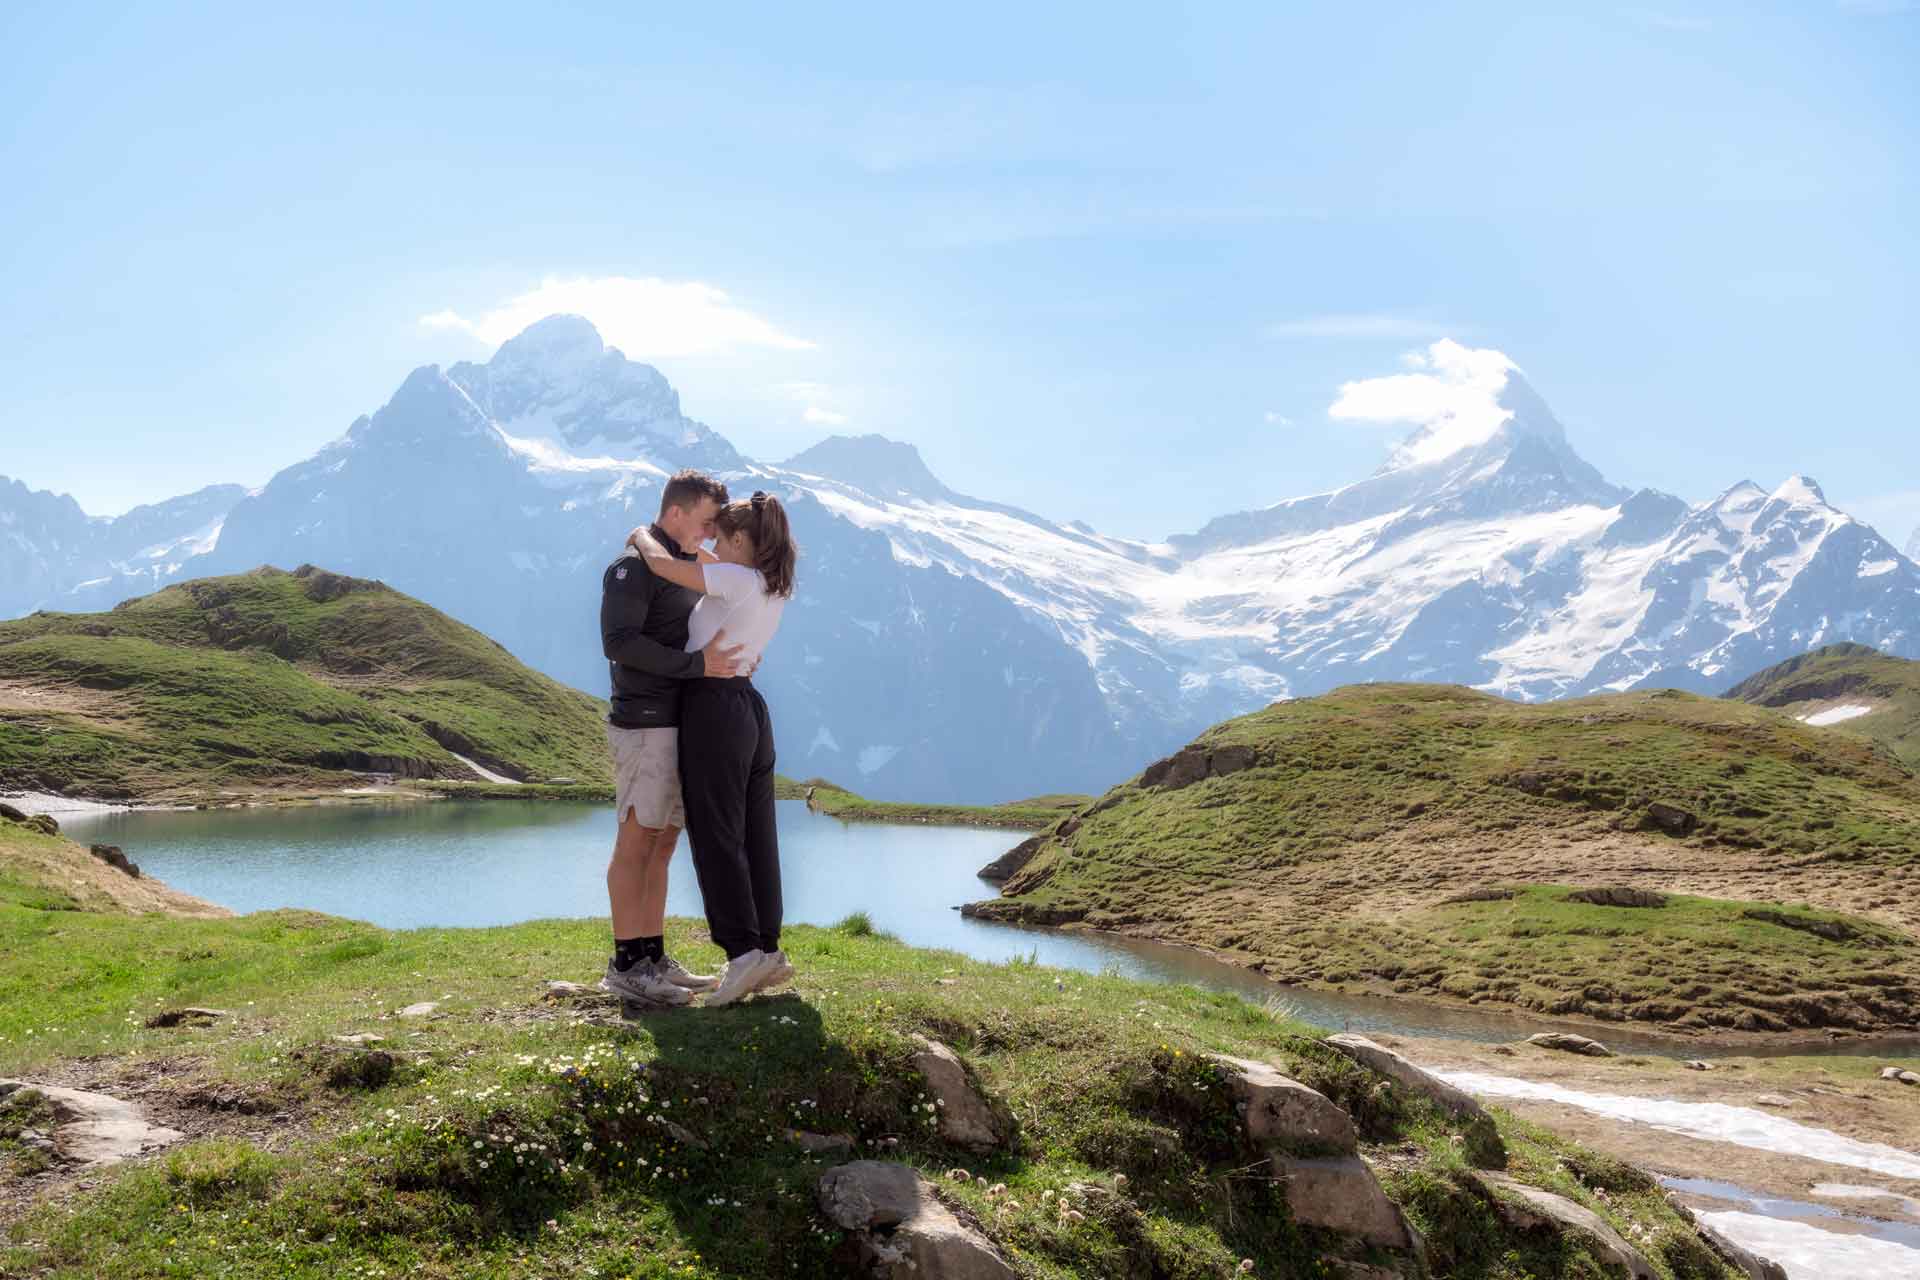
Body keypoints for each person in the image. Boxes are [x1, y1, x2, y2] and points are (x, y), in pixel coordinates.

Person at [628, 489, 797, 1007]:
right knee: (755, 833)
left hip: (713, 708)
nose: (711, 545)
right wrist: (708, 549)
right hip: (749, 706)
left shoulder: (734, 579)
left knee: (716, 833)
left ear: (741, 540)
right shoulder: (767, 583)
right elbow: (708, 565)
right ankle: (767, 950)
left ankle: (742, 953)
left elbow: (660, 564)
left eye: (720, 537)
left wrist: (640, 533)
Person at [597, 469, 748, 1007]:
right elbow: (618, 643)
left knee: (662, 844)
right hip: (643, 722)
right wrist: (696, 665)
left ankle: (652, 956)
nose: (709, 534)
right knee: (636, 842)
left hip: (676, 721)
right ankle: (625, 965)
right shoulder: (631, 568)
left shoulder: (679, 563)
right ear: (677, 511)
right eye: (706, 522)